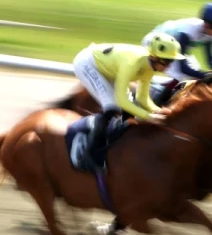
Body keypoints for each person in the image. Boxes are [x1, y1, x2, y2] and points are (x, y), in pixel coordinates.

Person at [71, 32, 186, 167]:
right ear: (153, 57)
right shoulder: (133, 63)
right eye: (166, 61)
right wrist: (147, 116)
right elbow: (121, 101)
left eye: (171, 61)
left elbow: (142, 97)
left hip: (110, 69)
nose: (169, 66)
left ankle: (120, 147)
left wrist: (158, 111)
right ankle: (90, 153)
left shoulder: (150, 66)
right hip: (88, 63)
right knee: (112, 106)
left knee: (131, 106)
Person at [143, 2, 212, 84]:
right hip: (155, 43)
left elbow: (210, 59)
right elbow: (183, 68)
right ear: (207, 25)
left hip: (174, 49)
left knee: (194, 76)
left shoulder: (210, 34)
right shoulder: (188, 31)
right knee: (179, 77)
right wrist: (205, 75)